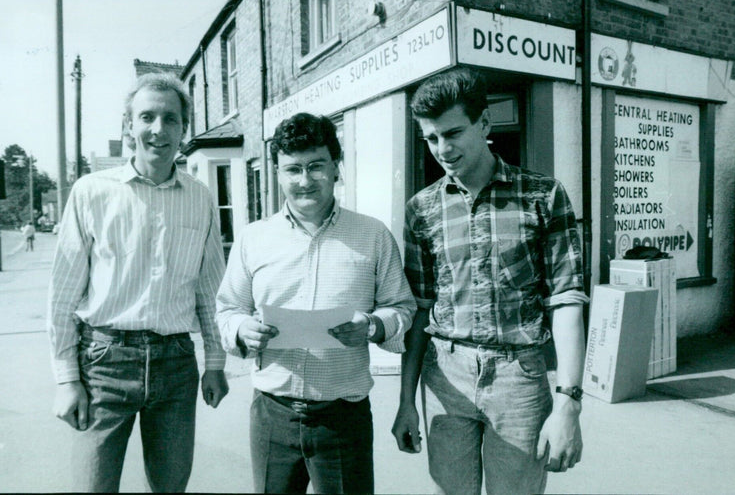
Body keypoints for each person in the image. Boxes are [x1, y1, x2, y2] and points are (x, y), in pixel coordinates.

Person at [391, 67, 588, 495]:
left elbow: (567, 299)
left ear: (485, 123)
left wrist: (569, 404)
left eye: (453, 133)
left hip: (519, 378)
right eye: (431, 137)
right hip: (445, 375)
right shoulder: (421, 209)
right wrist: (406, 402)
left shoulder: (543, 196)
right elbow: (420, 309)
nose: (443, 148)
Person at [47, 72, 229, 493]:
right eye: (146, 117)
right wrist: (67, 379)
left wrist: (215, 363)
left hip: (176, 364)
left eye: (170, 118)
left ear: (184, 129)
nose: (158, 129)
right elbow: (62, 296)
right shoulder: (92, 191)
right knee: (94, 487)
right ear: (128, 126)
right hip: (103, 364)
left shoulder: (200, 197)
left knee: (170, 488)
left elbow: (210, 288)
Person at [216, 112, 416, 494]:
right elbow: (228, 309)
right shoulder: (253, 238)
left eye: (316, 166)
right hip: (273, 414)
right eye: (293, 169)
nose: (304, 181)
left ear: (336, 167)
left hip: (342, 417)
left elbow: (402, 308)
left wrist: (372, 326)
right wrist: (243, 329)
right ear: (277, 172)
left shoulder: (372, 235)